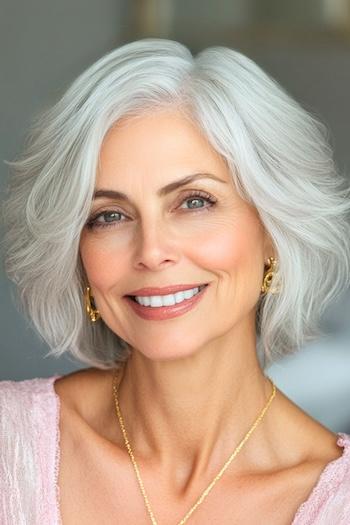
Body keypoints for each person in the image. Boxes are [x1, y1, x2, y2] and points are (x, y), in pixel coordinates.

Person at [1, 38, 350, 524]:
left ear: (273, 232)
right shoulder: (7, 445)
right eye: (110, 215)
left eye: (193, 202)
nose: (151, 251)